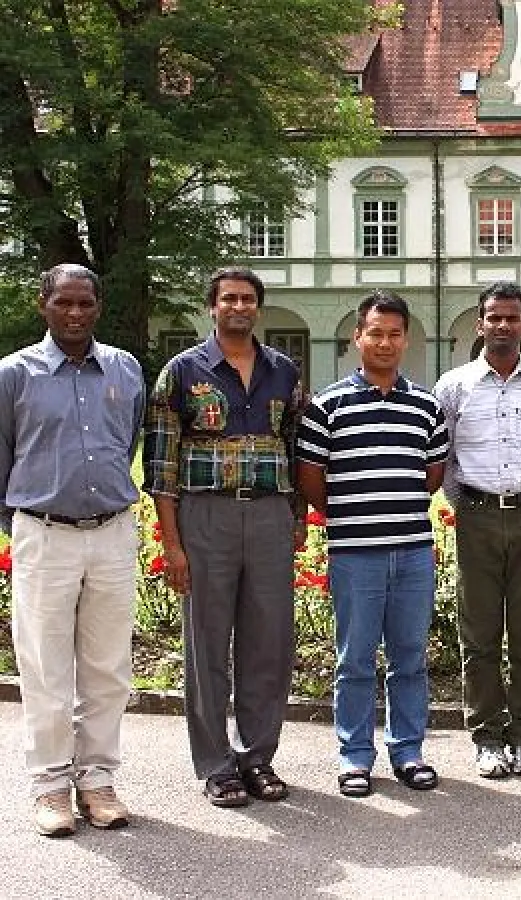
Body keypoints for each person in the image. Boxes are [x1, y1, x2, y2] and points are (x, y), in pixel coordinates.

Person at [144, 266, 305, 808]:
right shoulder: (181, 372)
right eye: (228, 298)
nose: (238, 306)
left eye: (247, 299)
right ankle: (216, 763)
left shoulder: (284, 372)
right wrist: (172, 543)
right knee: (207, 644)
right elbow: (161, 465)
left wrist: (297, 518)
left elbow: (294, 448)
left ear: (257, 307)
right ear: (211, 306)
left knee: (270, 643)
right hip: (205, 517)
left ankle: (257, 756)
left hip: (268, 518)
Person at [0, 264, 143, 837]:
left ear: (99, 306)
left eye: (85, 302)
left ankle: (98, 780)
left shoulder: (125, 368)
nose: (75, 313)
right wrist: (20, 523)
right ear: (44, 305)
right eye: (64, 302)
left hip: (111, 533)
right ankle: (51, 788)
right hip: (44, 533)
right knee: (45, 670)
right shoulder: (15, 373)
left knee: (109, 669)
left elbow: (127, 437)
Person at [296, 291, 448, 797]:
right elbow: (313, 480)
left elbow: (430, 475)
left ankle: (408, 751)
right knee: (355, 659)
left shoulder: (426, 407)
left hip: (410, 551)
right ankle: (355, 756)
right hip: (355, 552)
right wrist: (352, 513)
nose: (385, 342)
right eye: (375, 332)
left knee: (410, 657)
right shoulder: (327, 406)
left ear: (406, 338)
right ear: (356, 337)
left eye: (395, 333)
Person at [434, 282, 521, 778]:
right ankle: (488, 735)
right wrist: (468, 504)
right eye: (494, 317)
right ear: (480, 323)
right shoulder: (453, 387)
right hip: (477, 516)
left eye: (513, 318)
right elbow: (444, 457)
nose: (504, 326)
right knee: (480, 630)